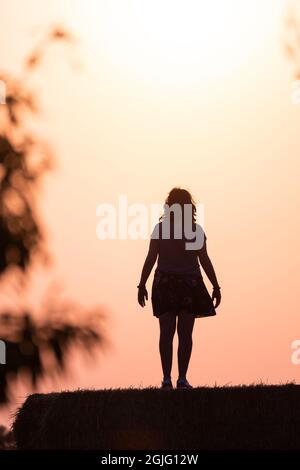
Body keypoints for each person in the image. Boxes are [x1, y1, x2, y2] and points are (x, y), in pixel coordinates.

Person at [137, 188, 221, 390]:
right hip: (188, 285)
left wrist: (142, 284)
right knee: (185, 334)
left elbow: (151, 259)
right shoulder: (195, 231)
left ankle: (167, 379)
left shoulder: (161, 229)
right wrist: (216, 286)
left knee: (166, 333)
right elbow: (205, 261)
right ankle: (181, 379)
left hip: (165, 284)